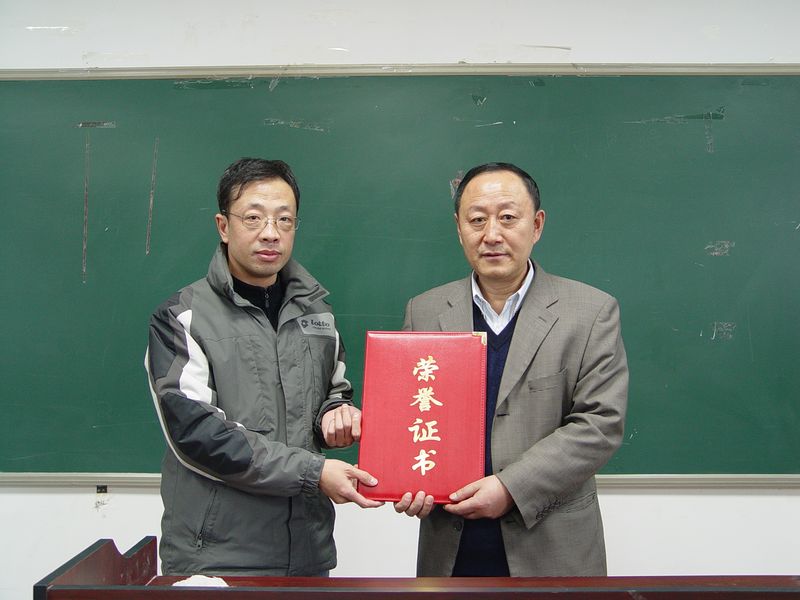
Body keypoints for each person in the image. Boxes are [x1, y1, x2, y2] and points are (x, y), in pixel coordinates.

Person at [145, 157, 382, 577]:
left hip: (307, 550)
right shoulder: (182, 318)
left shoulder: (317, 314)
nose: (271, 232)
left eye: (284, 219)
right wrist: (314, 472)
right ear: (223, 226)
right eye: (253, 218)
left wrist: (336, 416)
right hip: (218, 557)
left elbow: (334, 392)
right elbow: (199, 435)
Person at [395, 162, 628, 577]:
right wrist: (407, 479)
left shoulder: (591, 312)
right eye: (477, 220)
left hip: (553, 550)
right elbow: (412, 418)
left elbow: (599, 424)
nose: (492, 235)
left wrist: (509, 487)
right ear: (459, 228)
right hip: (450, 550)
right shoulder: (424, 311)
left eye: (507, 217)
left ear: (536, 225)